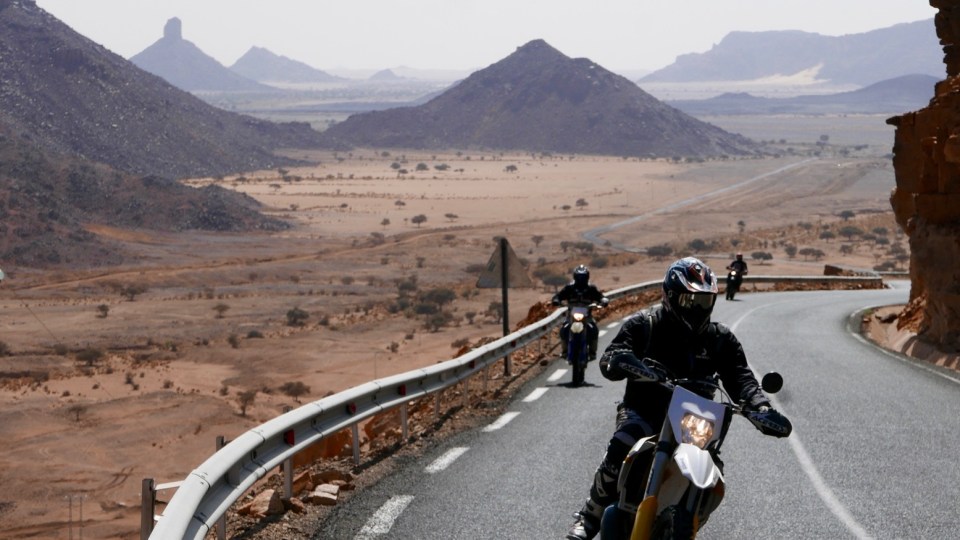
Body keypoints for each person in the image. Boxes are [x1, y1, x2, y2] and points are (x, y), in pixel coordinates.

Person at [565, 256, 788, 540]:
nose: (697, 308)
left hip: (695, 418)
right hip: (644, 409)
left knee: (713, 465)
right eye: (690, 300)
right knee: (624, 440)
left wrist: (761, 407)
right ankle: (590, 515)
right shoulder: (645, 325)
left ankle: (686, 521)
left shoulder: (721, 339)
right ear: (670, 297)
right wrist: (622, 361)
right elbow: (613, 355)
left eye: (704, 301)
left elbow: (741, 378)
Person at [552, 265, 608, 360]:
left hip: (587, 316)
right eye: (579, 277)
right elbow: (559, 295)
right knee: (563, 330)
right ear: (575, 277)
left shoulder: (591, 288)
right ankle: (565, 351)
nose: (581, 279)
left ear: (587, 277)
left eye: (583, 277)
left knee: (594, 330)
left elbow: (600, 296)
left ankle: (592, 352)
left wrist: (603, 300)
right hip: (571, 316)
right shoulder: (569, 288)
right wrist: (556, 300)